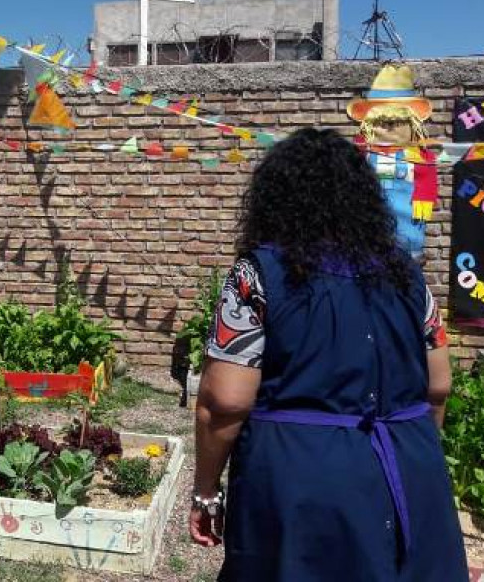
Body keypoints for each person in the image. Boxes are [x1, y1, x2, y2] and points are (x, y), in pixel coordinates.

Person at [189, 128, 468, 581]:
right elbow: (438, 385)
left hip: (299, 482)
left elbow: (225, 401)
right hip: (412, 471)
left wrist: (206, 490)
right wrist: (409, 451)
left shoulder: (256, 275)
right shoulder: (409, 279)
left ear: (274, 201)